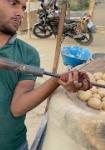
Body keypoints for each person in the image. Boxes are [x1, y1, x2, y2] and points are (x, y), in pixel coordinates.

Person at [0, 0, 91, 150]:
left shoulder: (28, 54)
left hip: (13, 146)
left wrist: (58, 80)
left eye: (23, 7)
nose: (20, 13)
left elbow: (17, 108)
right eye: (13, 3)